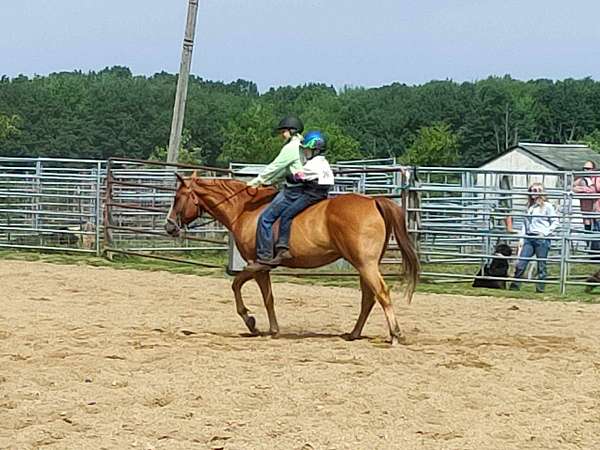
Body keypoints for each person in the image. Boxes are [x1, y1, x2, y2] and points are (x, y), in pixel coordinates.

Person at [245, 131, 335, 271]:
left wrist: (287, 177)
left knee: (286, 215)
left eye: (307, 149)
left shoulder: (312, 164)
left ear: (315, 149)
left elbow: (297, 176)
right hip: (322, 194)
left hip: (310, 194)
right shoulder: (324, 162)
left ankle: (282, 249)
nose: (305, 152)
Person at [245, 115, 305, 269]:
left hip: (293, 191)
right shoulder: (302, 145)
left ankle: (264, 256)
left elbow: (274, 167)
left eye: (283, 131)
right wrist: (268, 182)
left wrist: (254, 183)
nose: (281, 135)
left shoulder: (290, 148)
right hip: (303, 188)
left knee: (265, 218)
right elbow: (285, 171)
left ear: (292, 131)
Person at [509, 182, 559, 293]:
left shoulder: (547, 206)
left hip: (541, 239)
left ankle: (540, 289)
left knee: (541, 265)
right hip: (529, 238)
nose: (533, 192)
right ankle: (514, 286)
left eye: (536, 190)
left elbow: (555, 221)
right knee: (521, 263)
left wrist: (545, 233)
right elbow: (525, 224)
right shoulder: (530, 207)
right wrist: (521, 239)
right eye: (532, 190)